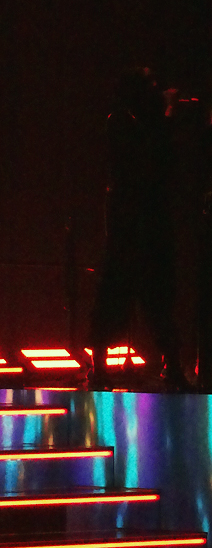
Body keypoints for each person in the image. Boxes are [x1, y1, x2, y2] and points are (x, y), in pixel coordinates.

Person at [89, 67, 180, 389]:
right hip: (130, 227)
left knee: (156, 300)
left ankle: (172, 365)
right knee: (117, 297)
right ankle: (99, 368)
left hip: (144, 225)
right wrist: (168, 114)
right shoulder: (121, 123)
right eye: (150, 87)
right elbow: (151, 157)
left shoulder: (135, 123)